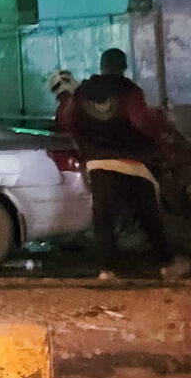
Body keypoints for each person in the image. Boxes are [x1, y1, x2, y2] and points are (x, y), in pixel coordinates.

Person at [62, 48, 189, 282]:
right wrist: (160, 129)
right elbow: (142, 120)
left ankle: (108, 270)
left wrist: (86, 145)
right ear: (123, 66)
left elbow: (69, 119)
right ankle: (167, 264)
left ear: (101, 66)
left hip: (98, 163)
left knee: (103, 218)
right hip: (132, 162)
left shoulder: (82, 92)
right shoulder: (128, 90)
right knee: (149, 215)